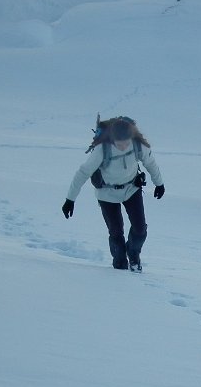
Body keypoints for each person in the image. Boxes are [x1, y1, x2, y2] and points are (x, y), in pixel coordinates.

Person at [62, 117, 164, 272]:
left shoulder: (137, 145)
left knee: (140, 229)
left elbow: (150, 163)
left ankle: (134, 254)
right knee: (116, 231)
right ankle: (119, 264)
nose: (123, 146)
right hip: (107, 194)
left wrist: (159, 183)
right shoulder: (102, 149)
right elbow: (83, 172)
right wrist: (70, 199)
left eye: (126, 142)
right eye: (119, 143)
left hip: (131, 189)